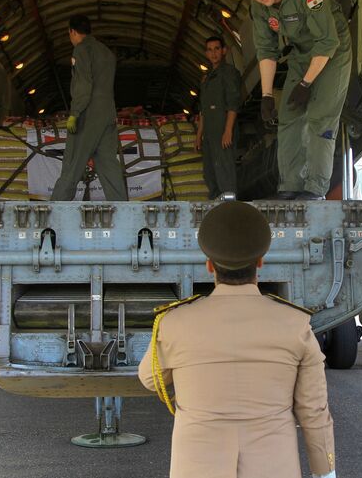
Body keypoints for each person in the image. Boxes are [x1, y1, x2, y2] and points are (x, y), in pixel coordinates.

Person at [138, 201, 336, 478]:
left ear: (209, 265)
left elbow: (149, 379)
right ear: (260, 262)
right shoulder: (295, 325)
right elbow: (314, 411)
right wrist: (325, 472)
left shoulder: (174, 323)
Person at [248, 0, 352, 200]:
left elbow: (328, 41)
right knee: (288, 117)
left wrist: (306, 83)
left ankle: (315, 189)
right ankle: (291, 185)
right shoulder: (259, 7)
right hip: (301, 54)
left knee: (320, 118)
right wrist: (266, 95)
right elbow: (266, 50)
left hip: (333, 53)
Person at [50, 15, 128, 201]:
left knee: (73, 162)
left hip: (88, 115)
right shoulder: (107, 53)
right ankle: (122, 208)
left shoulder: (81, 50)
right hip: (108, 115)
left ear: (73, 31)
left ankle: (56, 209)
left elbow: (83, 86)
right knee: (108, 163)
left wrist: (74, 113)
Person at [195, 36, 241, 199]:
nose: (213, 53)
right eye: (209, 50)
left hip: (222, 129)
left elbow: (233, 104)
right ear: (206, 53)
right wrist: (199, 135)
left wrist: (228, 131)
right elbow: (203, 111)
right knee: (209, 171)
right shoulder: (206, 79)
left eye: (216, 49)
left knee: (224, 168)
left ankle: (229, 201)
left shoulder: (228, 73)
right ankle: (215, 201)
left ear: (224, 51)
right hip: (209, 133)